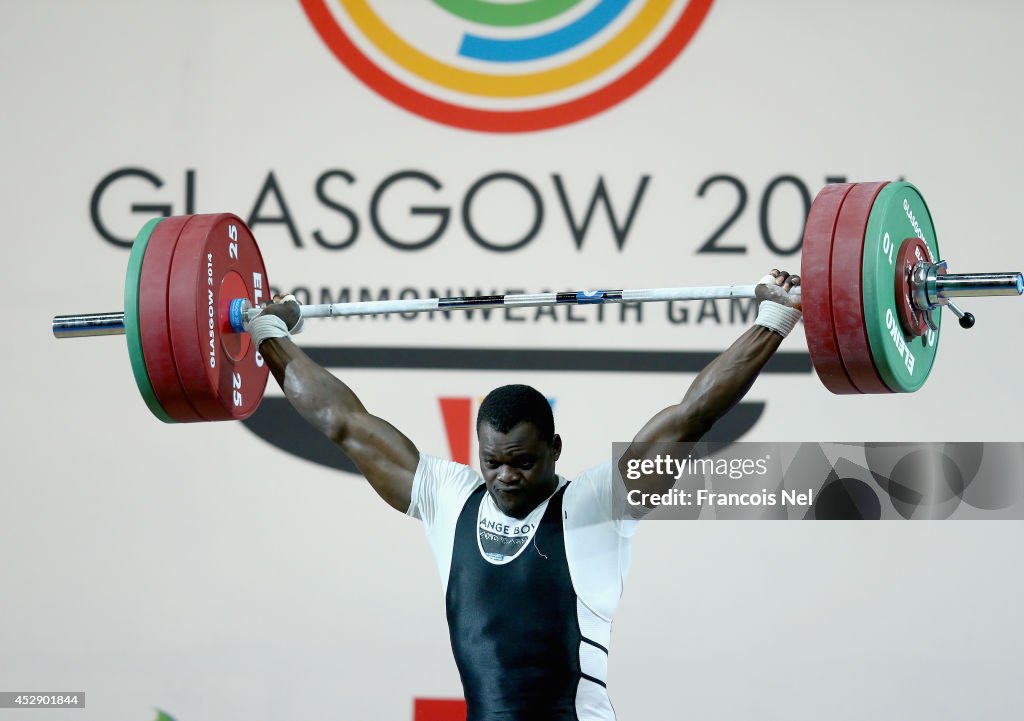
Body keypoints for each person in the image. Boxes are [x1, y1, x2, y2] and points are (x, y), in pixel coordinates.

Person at [248, 270, 803, 721]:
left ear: (555, 449)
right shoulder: (448, 496)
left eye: (523, 461)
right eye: (493, 462)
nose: (506, 475)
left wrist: (773, 320)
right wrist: (270, 337)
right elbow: (342, 422)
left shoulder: (597, 504)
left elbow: (691, 417)